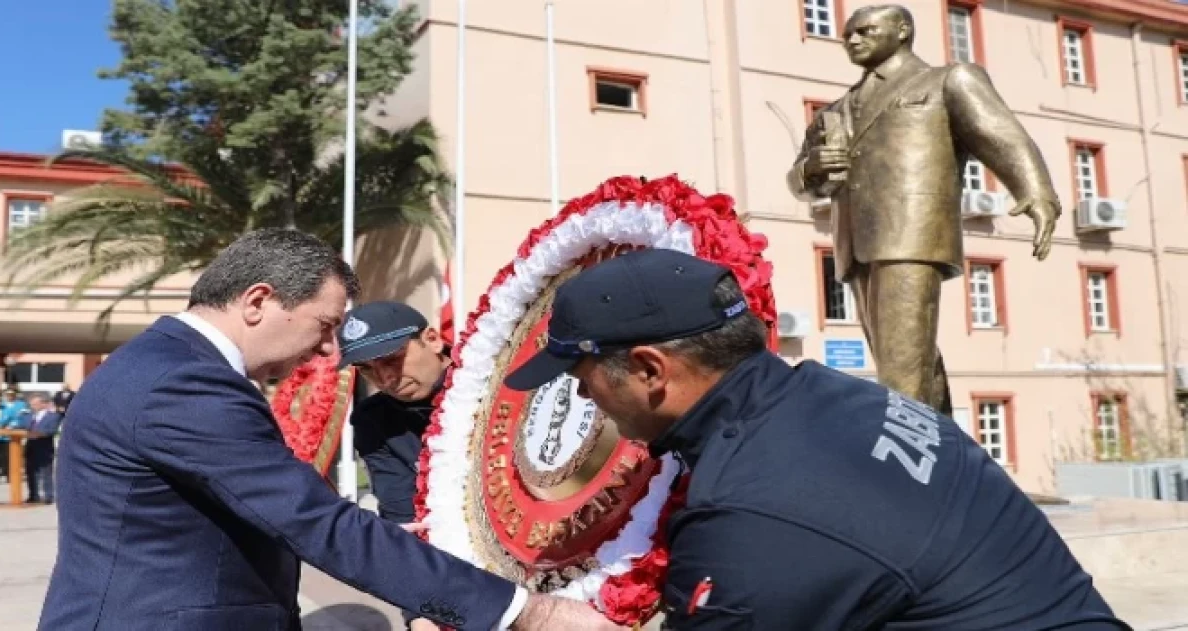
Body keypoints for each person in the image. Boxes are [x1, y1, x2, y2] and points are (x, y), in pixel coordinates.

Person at [504, 248, 1128, 630]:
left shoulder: (751, 508)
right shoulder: (834, 396)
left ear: (649, 370)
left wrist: (527, 616)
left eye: (580, 374)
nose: (581, 394)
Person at [38, 228, 620, 631]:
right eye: (325, 325)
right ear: (258, 301)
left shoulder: (165, 365)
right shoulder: (184, 383)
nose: (326, 349)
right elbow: (314, 522)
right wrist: (529, 613)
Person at [785, 4, 1060, 415]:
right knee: (908, 360)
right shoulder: (836, 110)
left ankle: (905, 450)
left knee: (901, 368)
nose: (852, 40)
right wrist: (811, 168)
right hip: (856, 243)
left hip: (913, 235)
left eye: (864, 31)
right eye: (847, 36)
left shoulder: (948, 80)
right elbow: (798, 181)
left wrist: (1037, 192)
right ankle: (939, 439)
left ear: (901, 30)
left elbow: (1002, 136)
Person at [337, 301, 452, 631]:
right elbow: (404, 521)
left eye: (392, 359)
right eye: (367, 369)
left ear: (432, 339)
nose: (385, 378)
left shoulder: (494, 382)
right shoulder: (375, 420)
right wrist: (420, 614)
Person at [24, 393, 62, 503]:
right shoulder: (28, 416)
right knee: (31, 472)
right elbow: (22, 427)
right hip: (31, 447)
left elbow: (51, 430)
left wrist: (38, 433)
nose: (32, 406)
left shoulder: (53, 416)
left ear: (43, 404)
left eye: (35, 404)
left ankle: (48, 496)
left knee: (46, 473)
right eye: (31, 404)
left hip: (44, 448)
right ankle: (33, 495)